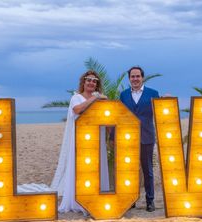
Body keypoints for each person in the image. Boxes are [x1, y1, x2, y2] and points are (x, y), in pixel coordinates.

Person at [50, 70, 110, 214]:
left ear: (97, 85)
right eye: (89, 80)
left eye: (95, 81)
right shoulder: (76, 98)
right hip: (80, 139)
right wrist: (95, 98)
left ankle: (96, 197)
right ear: (83, 82)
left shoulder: (100, 99)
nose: (91, 83)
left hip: (97, 138)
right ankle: (79, 201)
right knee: (81, 169)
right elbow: (77, 110)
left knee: (96, 168)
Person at [120, 66, 159, 212]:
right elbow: (120, 116)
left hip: (147, 137)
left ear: (142, 78)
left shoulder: (153, 93)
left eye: (137, 76)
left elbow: (160, 111)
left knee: (147, 170)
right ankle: (131, 200)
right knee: (129, 170)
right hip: (128, 138)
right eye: (132, 76)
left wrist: (167, 100)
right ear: (129, 78)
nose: (135, 79)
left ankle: (150, 200)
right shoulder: (123, 95)